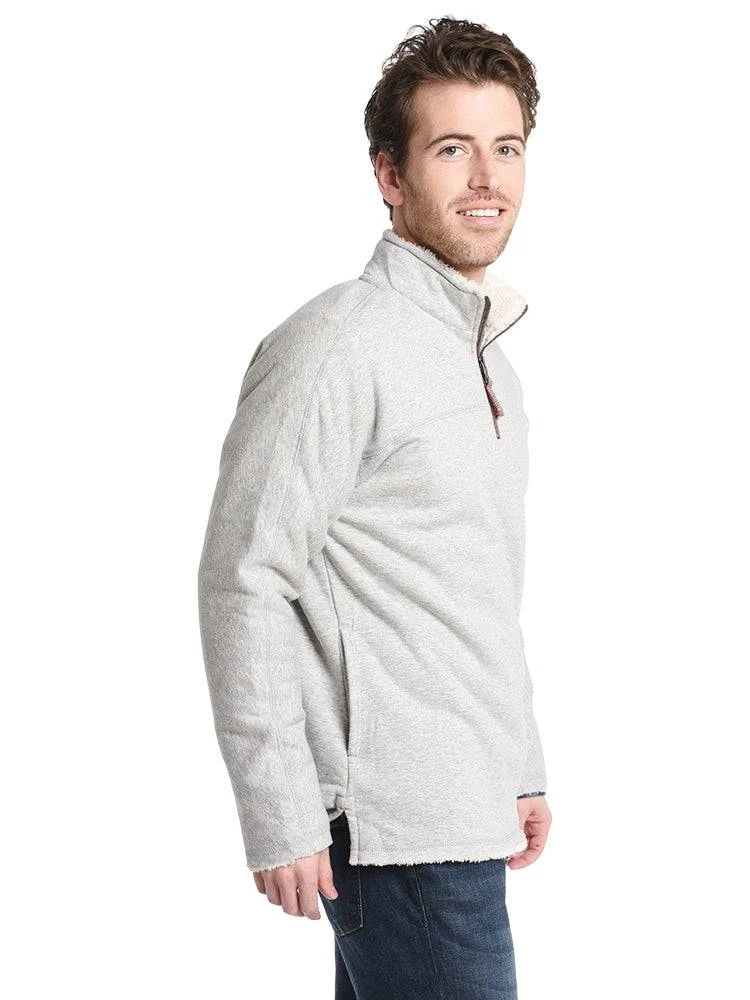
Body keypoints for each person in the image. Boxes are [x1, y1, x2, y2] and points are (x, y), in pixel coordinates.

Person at [197, 15, 552, 999]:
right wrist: (279, 811)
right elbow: (243, 576)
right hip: (397, 833)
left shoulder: (487, 362)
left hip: (464, 816)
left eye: (506, 148)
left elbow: (474, 587)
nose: (486, 178)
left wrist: (517, 767)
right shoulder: (336, 348)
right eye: (452, 149)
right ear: (390, 175)